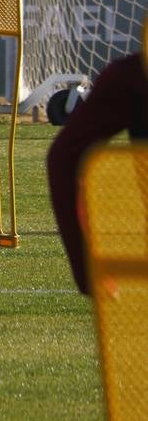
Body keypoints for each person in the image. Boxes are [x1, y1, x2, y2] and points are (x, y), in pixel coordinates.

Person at [46, 45, 148, 295]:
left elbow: (64, 158)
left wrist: (88, 272)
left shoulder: (132, 74)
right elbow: (64, 159)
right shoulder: (132, 75)